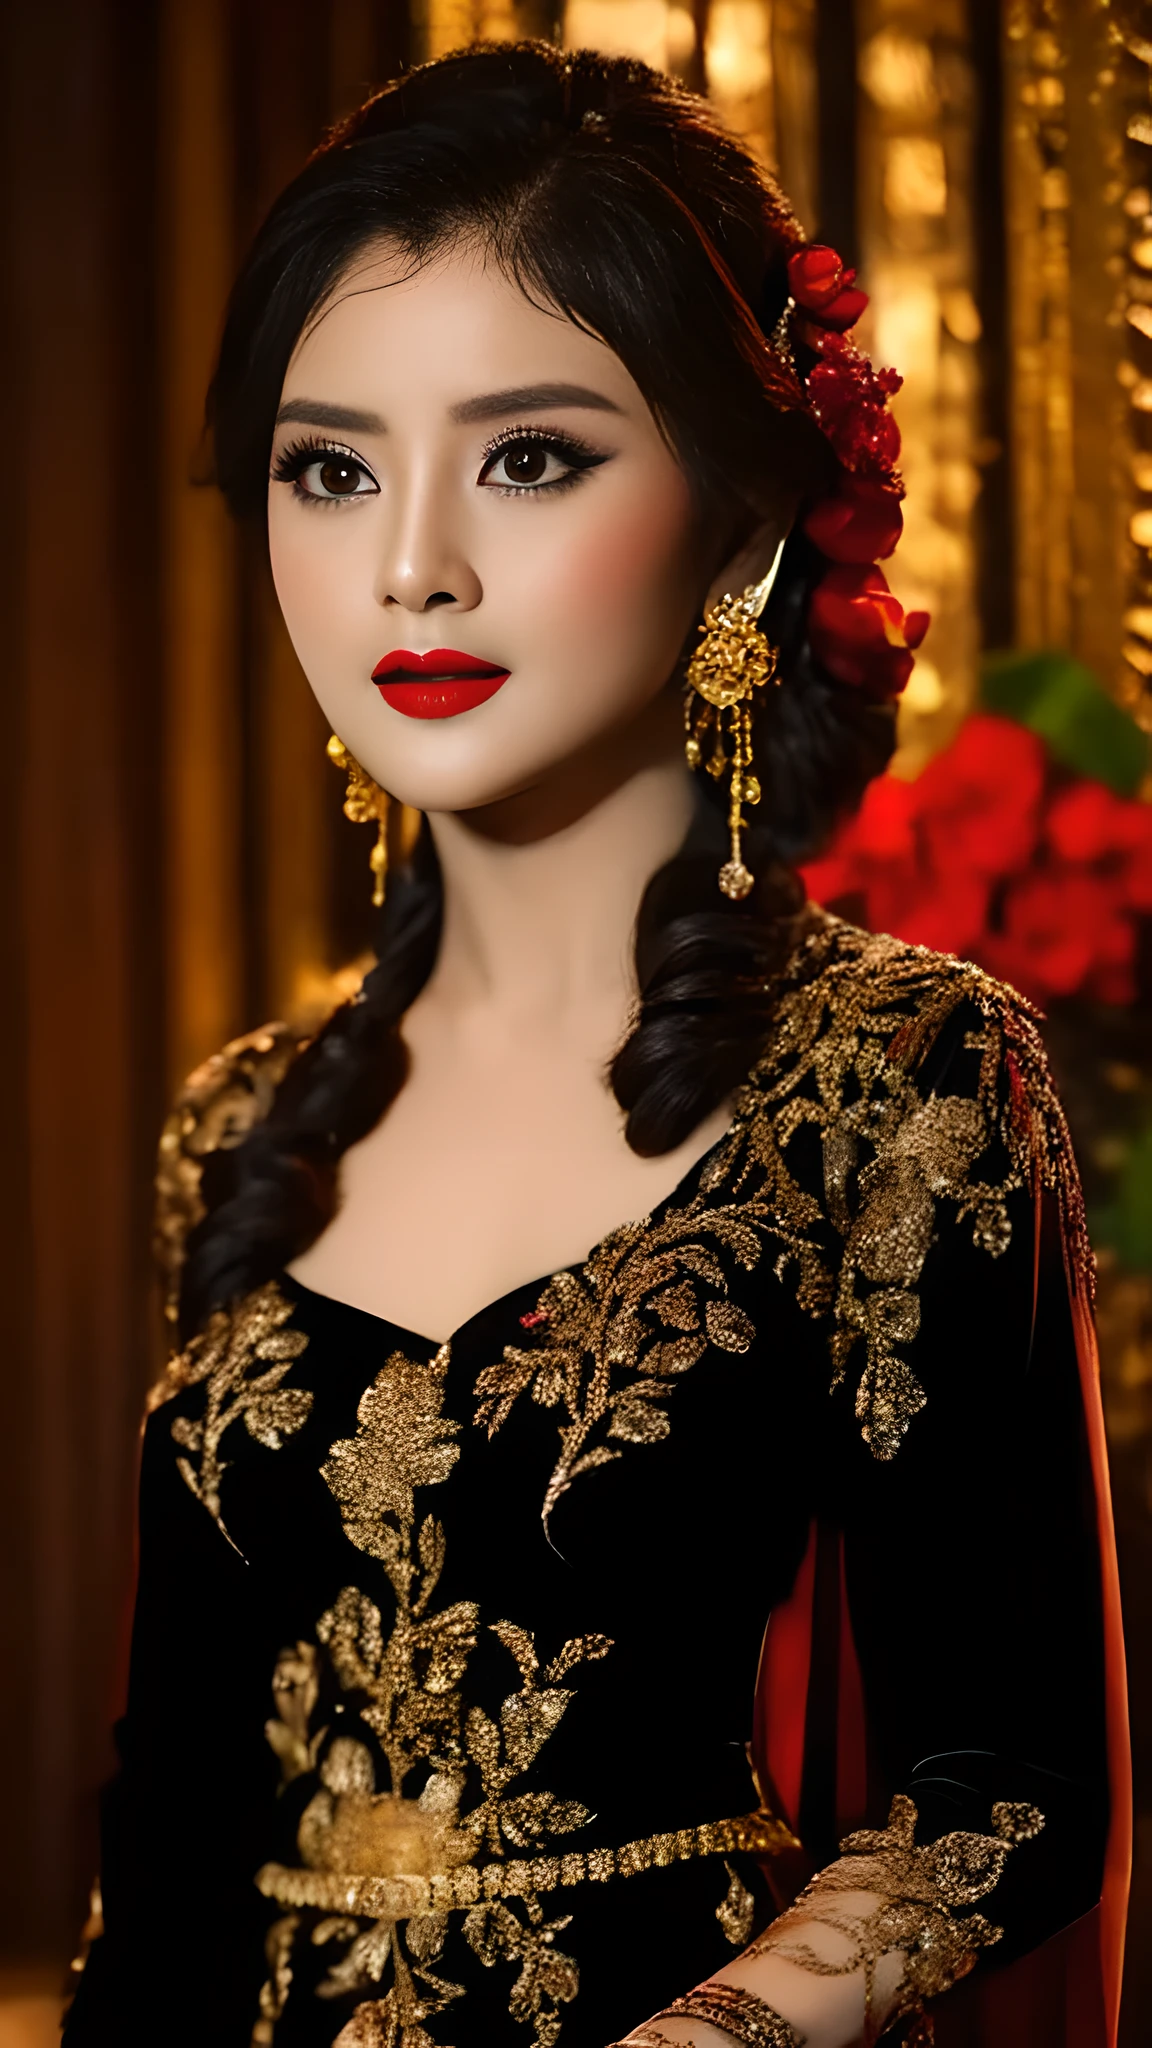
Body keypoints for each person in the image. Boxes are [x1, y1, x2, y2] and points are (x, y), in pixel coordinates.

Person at [63, 40, 1128, 2048]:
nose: (410, 562)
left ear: (740, 533)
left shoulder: (897, 1084)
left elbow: (1006, 1796)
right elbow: (174, 1847)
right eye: (331, 463)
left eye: (530, 454)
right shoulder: (249, 1123)